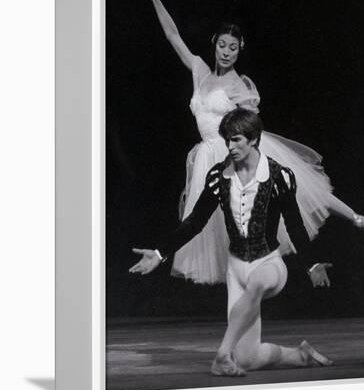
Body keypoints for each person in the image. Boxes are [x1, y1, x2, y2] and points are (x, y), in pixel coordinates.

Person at [130, 0, 364, 285]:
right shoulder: (199, 70)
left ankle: (356, 218)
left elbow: (251, 126)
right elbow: (173, 36)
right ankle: (244, 309)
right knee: (210, 228)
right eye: (222, 45)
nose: (226, 52)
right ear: (215, 44)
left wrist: (245, 156)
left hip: (236, 150)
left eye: (233, 48)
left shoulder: (240, 87)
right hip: (207, 156)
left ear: (240, 51)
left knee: (300, 192)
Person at [130, 109, 334, 376]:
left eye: (237, 140)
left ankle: (221, 356)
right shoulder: (219, 177)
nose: (230, 146)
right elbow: (195, 222)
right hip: (236, 268)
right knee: (248, 359)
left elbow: (294, 225)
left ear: (254, 140)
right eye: (227, 140)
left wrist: (312, 263)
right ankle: (300, 355)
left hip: (269, 264)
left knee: (258, 284)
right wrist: (159, 253)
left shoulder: (279, 177)